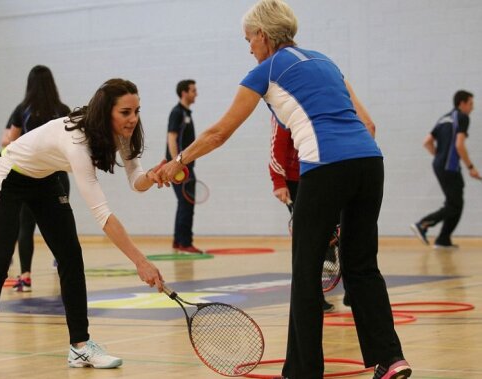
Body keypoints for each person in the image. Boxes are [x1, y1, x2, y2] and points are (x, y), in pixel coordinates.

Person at [157, 1, 410, 378]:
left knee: (306, 274)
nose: (249, 48)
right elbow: (368, 124)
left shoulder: (266, 69)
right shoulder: (325, 61)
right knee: (363, 267)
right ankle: (391, 360)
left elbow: (219, 132)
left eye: (248, 39)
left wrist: (178, 161)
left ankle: (303, 372)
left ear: (262, 35)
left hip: (325, 169)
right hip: (370, 165)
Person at [0, 78, 165, 379]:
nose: (133, 118)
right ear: (106, 111)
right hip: (11, 176)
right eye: (126, 112)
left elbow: (137, 181)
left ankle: (79, 345)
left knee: (71, 257)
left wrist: (154, 174)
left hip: (44, 179)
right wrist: (141, 261)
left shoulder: (123, 133)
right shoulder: (78, 141)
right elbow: (103, 215)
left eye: (136, 110)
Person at [1, 65, 71, 292]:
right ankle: (62, 264)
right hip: (58, 176)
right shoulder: (62, 109)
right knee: (60, 225)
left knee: (26, 227)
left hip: (30, 176)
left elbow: (9, 143)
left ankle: (26, 276)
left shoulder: (23, 109)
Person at [268, 115, 335, 313]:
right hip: (296, 180)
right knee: (307, 242)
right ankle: (312, 299)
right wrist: (278, 182)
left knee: (335, 232)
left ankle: (349, 292)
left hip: (320, 175)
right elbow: (277, 145)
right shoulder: (284, 109)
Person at [410, 90, 479, 249]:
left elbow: (427, 141)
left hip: (440, 165)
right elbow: (459, 145)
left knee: (455, 203)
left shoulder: (444, 118)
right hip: (450, 166)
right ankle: (423, 224)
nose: (472, 108)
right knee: (454, 204)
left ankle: (443, 240)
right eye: (471, 104)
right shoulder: (462, 117)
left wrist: (438, 155)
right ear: (461, 103)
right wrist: (471, 167)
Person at [166, 79, 203, 253]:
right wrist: (176, 164)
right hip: (180, 167)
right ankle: (185, 242)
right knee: (186, 202)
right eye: (193, 90)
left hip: (186, 166)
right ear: (184, 93)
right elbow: (171, 138)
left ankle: (178, 241)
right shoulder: (177, 112)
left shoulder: (187, 113)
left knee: (184, 203)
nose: (196, 93)